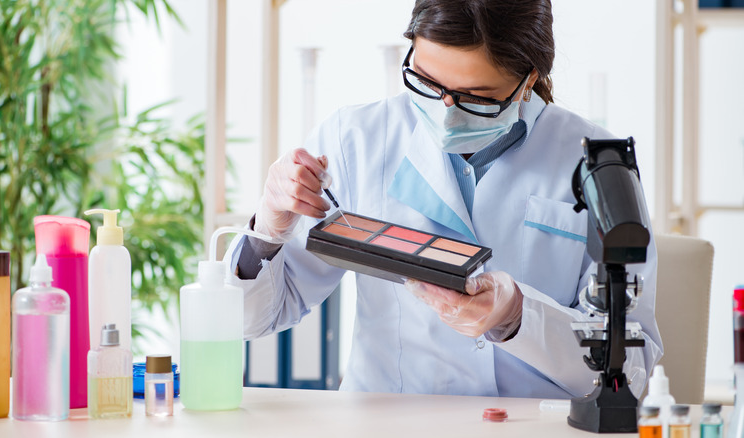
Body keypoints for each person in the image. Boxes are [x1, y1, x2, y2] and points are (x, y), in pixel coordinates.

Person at [224, 0, 662, 398]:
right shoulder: (355, 140)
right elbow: (252, 320)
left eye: (478, 98)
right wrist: (267, 231)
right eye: (427, 82)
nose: (447, 111)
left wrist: (518, 317)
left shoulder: (598, 161)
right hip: (390, 422)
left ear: (529, 79)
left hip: (535, 425)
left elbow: (632, 372)